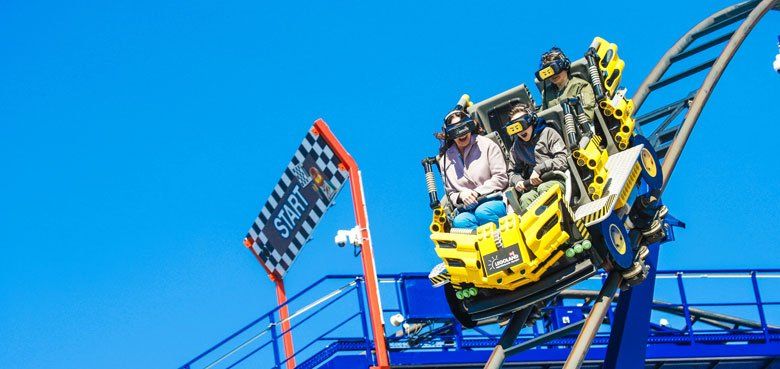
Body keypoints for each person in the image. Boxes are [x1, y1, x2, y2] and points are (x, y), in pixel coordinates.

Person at [438, 110, 508, 230]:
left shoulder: (487, 145)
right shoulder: (445, 160)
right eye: (455, 130)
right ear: (449, 134)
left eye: (464, 127)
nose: (461, 134)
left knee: (483, 212)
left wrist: (477, 192)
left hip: (494, 199)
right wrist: (461, 196)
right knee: (460, 221)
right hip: (467, 208)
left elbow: (501, 178)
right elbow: (451, 194)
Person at [505, 103, 568, 213]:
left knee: (544, 190)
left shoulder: (548, 133)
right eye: (515, 128)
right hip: (533, 186)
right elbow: (512, 172)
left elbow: (562, 159)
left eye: (522, 125)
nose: (520, 132)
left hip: (556, 178)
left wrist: (539, 169)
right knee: (525, 199)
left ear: (531, 120)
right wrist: (518, 181)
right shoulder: (516, 148)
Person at [538, 47, 596, 119]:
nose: (553, 75)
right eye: (548, 72)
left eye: (555, 69)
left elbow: (587, 114)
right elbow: (541, 116)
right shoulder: (547, 93)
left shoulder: (581, 85)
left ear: (565, 66)